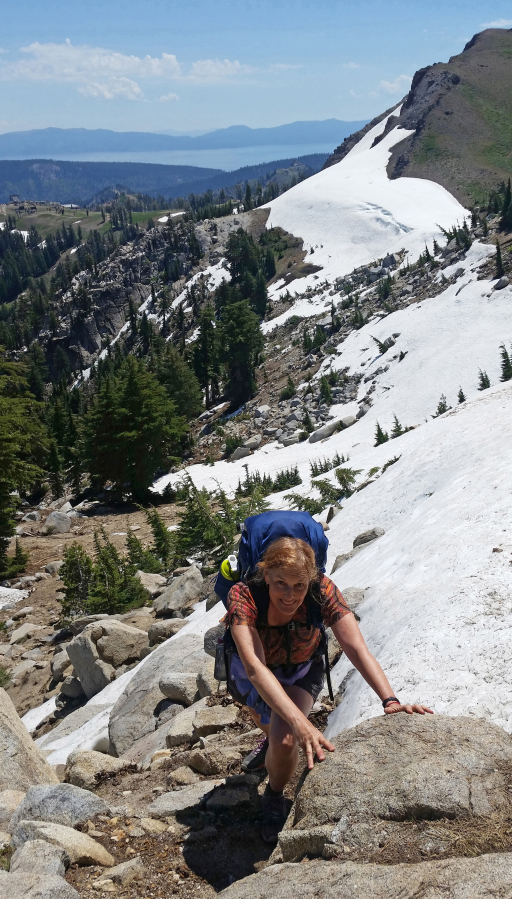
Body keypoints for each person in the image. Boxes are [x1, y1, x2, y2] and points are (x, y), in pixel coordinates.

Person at [225, 535, 433, 844]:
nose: (290, 595)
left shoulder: (322, 590)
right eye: (281, 582)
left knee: (284, 740)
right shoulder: (243, 594)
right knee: (278, 725)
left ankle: (273, 794)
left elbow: (357, 648)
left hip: (301, 669)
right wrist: (301, 722)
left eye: (299, 586)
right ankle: (268, 740)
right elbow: (255, 667)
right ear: (265, 574)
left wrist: (390, 700)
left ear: (310, 580)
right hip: (253, 670)